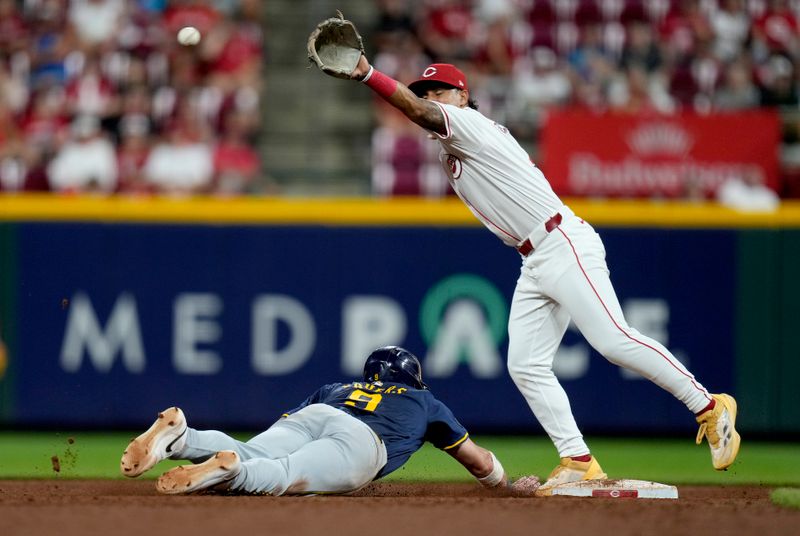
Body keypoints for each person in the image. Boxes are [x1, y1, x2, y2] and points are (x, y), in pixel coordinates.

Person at [335, 55, 741, 494]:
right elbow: (418, 115)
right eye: (426, 92)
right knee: (525, 364)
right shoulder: (450, 144)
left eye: (440, 91)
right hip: (534, 257)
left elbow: (415, 111)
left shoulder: (468, 124)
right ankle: (578, 459)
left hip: (561, 241)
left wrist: (368, 74)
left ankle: (708, 405)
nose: (432, 99)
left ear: (463, 95)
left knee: (614, 340)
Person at [120, 346, 540, 496]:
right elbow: (480, 463)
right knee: (282, 475)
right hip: (362, 443)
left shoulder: (336, 386)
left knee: (257, 451)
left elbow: (291, 424)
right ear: (412, 378)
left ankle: (181, 437)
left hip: (319, 413)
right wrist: (504, 486)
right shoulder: (423, 399)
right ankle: (229, 471)